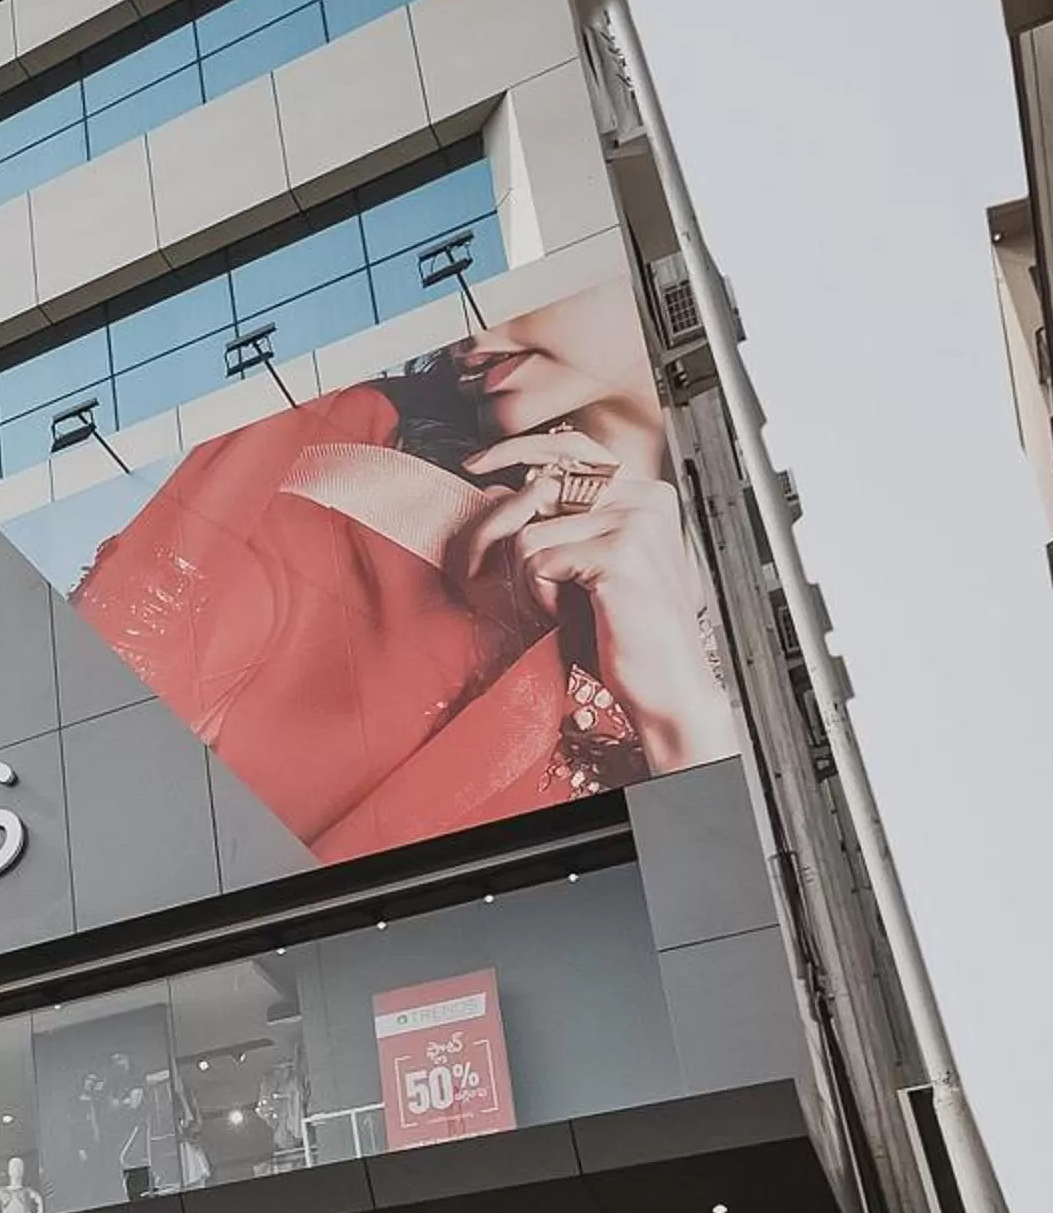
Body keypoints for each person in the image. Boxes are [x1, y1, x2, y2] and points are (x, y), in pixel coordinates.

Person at [68, 281, 738, 865]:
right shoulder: (337, 489)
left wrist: (682, 713)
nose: (465, 323)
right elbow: (86, 744)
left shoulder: (756, 615)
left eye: (516, 271)